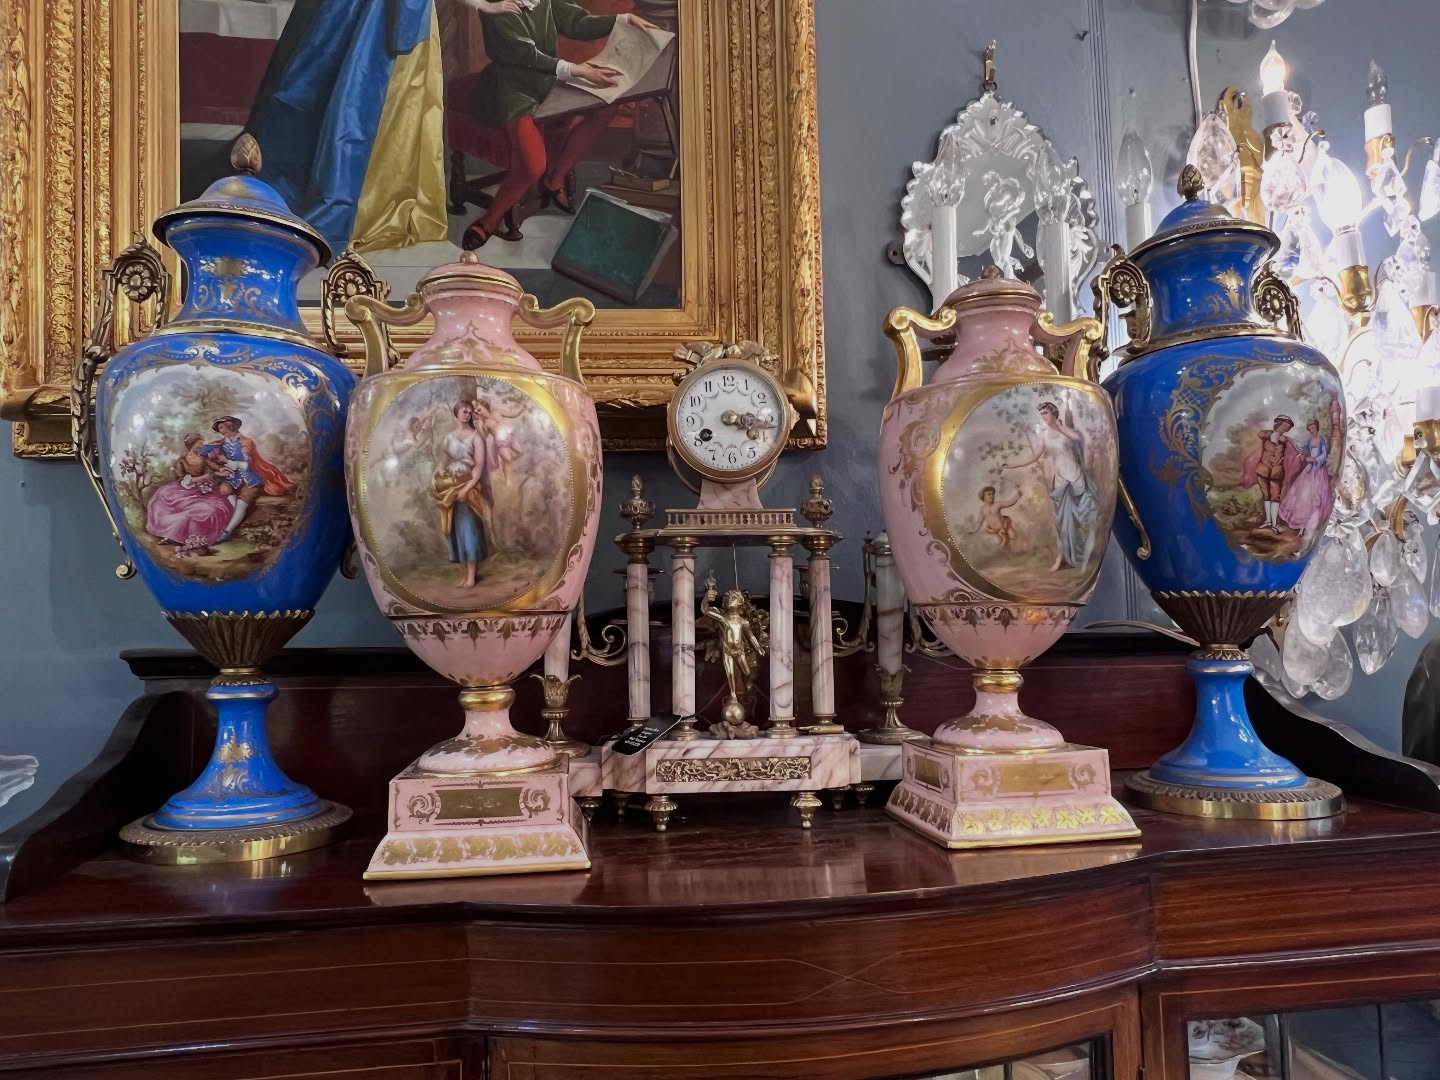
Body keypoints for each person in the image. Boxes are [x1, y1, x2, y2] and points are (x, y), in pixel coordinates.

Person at [460, 1, 661, 249]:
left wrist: (622, 20)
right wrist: (579, 71)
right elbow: (523, 54)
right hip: (510, 89)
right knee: (533, 165)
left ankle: (556, 178)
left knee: (607, 107)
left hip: (546, 82)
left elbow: (578, 23)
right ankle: (489, 221)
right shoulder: (498, 7)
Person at [1000, 401, 1097, 572]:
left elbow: (1077, 438)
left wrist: (1060, 429)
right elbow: (1035, 455)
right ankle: (1061, 557)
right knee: (1062, 522)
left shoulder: (1064, 429)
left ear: (1053, 413)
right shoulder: (1044, 435)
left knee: (1080, 519)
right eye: (1042, 413)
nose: (1043, 416)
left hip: (1074, 476)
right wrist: (1014, 465)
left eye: (1045, 412)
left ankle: (1083, 554)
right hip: (1060, 479)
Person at [432, 400, 493, 589]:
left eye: (469, 412)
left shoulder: (475, 437)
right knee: (456, 531)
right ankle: (466, 575)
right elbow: (443, 462)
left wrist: (466, 488)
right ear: (456, 414)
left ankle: (472, 577)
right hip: (450, 487)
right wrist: (437, 477)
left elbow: (479, 467)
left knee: (469, 531)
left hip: (468, 488)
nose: (467, 414)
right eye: (463, 412)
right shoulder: (449, 437)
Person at [204, 417, 295, 542]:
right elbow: (206, 454)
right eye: (219, 429)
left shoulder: (246, 442)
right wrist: (215, 463)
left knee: (243, 502)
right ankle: (229, 524)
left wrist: (226, 461)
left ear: (230, 426)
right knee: (224, 490)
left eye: (221, 428)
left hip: (249, 478)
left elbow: (246, 465)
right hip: (231, 477)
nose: (220, 431)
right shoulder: (221, 444)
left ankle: (227, 531)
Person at [144, 433, 236, 555]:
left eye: (202, 444)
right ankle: (173, 536)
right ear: (192, 444)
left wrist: (223, 471)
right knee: (160, 499)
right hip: (183, 489)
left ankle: (196, 540)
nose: (201, 446)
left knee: (211, 510)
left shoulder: (203, 459)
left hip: (203, 491)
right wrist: (202, 478)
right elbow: (182, 479)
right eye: (199, 443)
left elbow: (214, 470)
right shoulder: (182, 461)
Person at [1241, 415, 1301, 534]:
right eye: (1285, 426)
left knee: (1275, 496)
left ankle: (1274, 524)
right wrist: (1273, 434)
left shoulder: (1285, 440)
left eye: (1288, 427)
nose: (1286, 429)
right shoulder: (1266, 435)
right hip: (1263, 469)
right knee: (1266, 495)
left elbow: (1295, 451)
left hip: (1276, 472)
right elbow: (1260, 434)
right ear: (1278, 424)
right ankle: (1268, 521)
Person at [1278, 416, 1334, 538]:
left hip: (1318, 471)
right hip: (1309, 470)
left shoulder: (1322, 440)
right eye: (1310, 428)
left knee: (1314, 498)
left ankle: (1308, 528)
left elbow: (1323, 454)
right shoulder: (1309, 441)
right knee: (1302, 498)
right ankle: (1301, 528)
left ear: (1316, 428)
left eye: (1313, 427)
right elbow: (1302, 449)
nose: (1311, 430)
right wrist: (1300, 453)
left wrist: (1314, 459)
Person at [968, 485, 1020, 549]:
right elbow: (979, 522)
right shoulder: (983, 509)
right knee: (999, 543)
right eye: (989, 494)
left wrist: (1018, 495)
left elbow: (1009, 502)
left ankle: (1018, 547)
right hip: (994, 530)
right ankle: (1008, 551)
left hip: (1004, 526)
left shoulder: (997, 504)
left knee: (1013, 536)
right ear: (983, 497)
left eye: (992, 494)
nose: (992, 496)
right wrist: (974, 530)